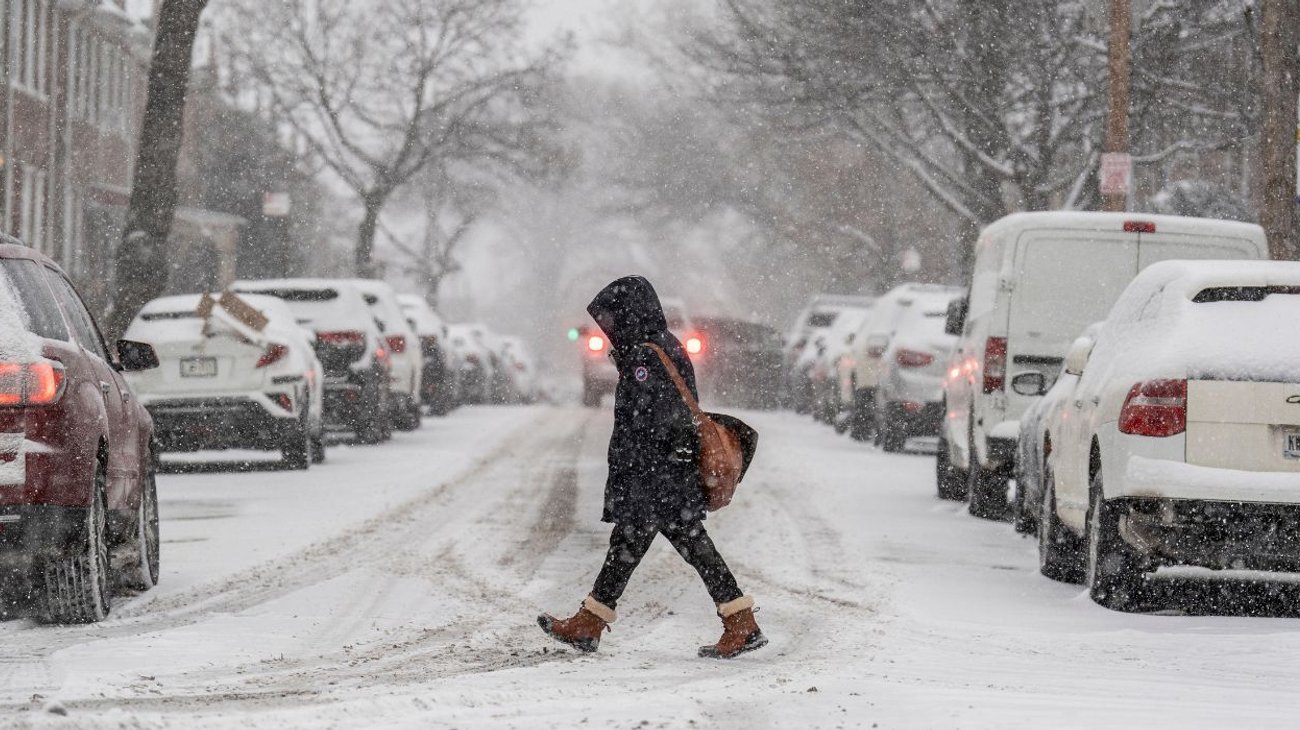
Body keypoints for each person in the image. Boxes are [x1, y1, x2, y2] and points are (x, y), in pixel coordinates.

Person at [538, 275, 767, 659]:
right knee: (644, 544)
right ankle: (591, 623)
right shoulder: (662, 344)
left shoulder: (646, 355)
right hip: (661, 476)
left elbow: (659, 418)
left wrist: (646, 468)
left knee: (666, 544)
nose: (610, 330)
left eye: (612, 321)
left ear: (630, 315)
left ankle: (740, 623)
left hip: (656, 477)